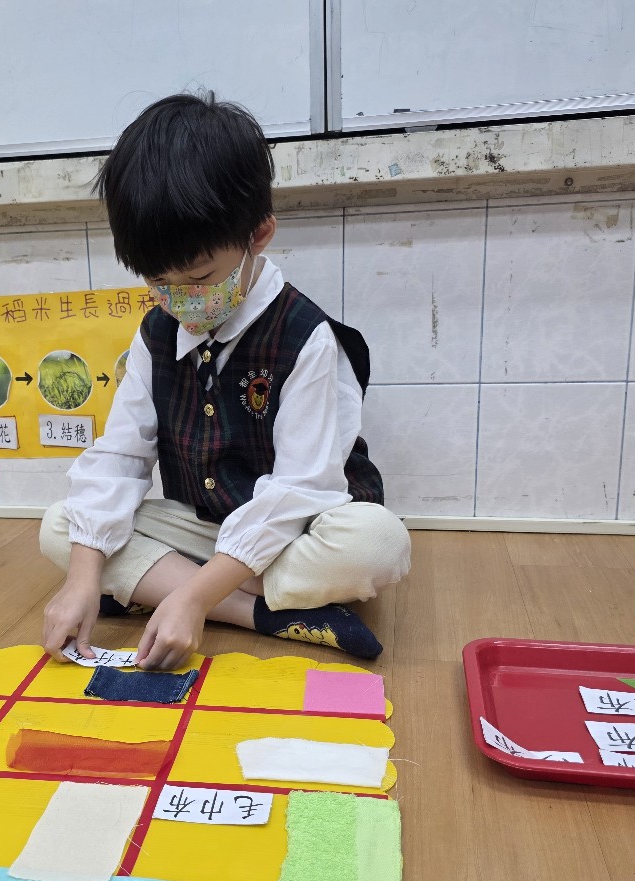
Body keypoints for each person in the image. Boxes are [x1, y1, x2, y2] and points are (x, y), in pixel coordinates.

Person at [40, 92, 410, 670]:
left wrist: (192, 595)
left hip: (294, 528)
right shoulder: (155, 335)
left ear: (258, 235)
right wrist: (82, 580)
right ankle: (256, 613)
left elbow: (301, 490)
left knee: (376, 543)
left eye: (198, 277)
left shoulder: (307, 336)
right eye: (158, 283)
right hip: (203, 530)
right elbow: (119, 457)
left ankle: (174, 591)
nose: (178, 300)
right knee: (62, 528)